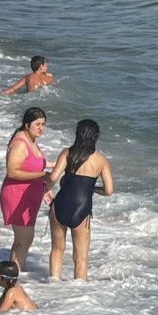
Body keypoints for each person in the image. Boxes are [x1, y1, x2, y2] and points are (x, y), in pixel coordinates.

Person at [45, 119, 114, 280]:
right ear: (95, 137)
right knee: (81, 259)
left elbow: (54, 177)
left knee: (57, 249)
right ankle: (79, 295)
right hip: (82, 209)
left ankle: (52, 285)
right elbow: (109, 191)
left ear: (78, 134)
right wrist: (93, 189)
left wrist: (46, 189)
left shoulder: (67, 152)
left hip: (60, 204)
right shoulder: (101, 160)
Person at [1, 107, 50, 270]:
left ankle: (12, 277)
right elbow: (12, 171)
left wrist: (47, 187)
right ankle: (15, 277)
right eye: (38, 124)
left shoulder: (32, 140)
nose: (41, 128)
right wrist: (42, 176)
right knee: (25, 239)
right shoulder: (20, 143)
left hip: (30, 195)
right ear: (27, 124)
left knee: (22, 241)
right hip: (17, 194)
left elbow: (36, 164)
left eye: (43, 124)